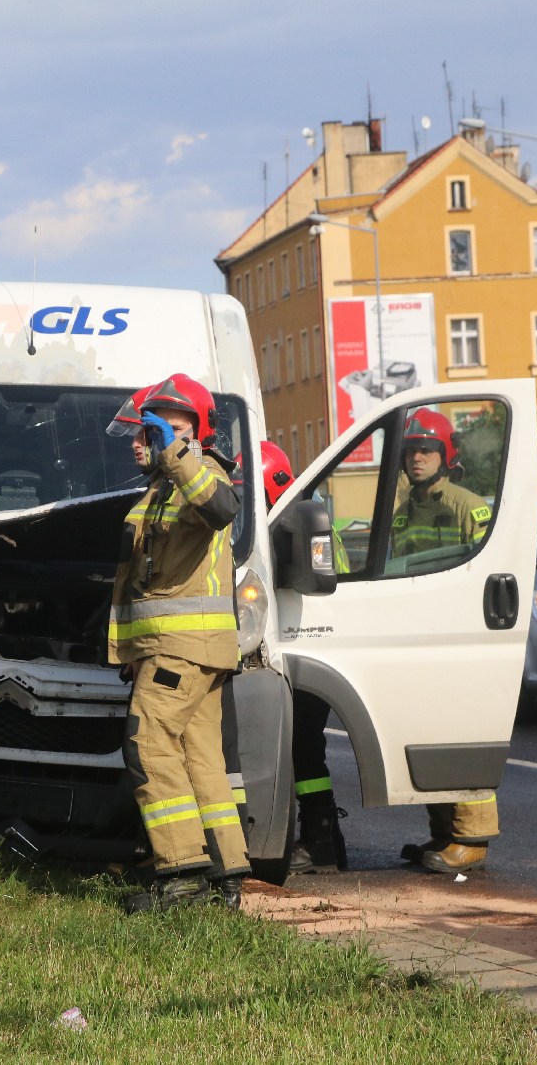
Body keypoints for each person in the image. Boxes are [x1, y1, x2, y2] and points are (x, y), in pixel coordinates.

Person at [110, 373, 251, 911]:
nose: (141, 441)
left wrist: (176, 453)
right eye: (143, 431)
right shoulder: (164, 489)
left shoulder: (201, 474)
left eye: (156, 430)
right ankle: (222, 876)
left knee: (148, 745)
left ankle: (181, 876)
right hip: (184, 650)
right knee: (199, 758)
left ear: (191, 435)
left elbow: (222, 509)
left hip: (182, 650)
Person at [389, 408, 500, 875]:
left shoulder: (466, 505)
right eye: (411, 450)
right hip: (418, 642)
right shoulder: (400, 514)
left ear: (444, 455)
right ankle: (443, 832)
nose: (417, 458)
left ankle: (472, 838)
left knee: (459, 737)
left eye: (427, 450)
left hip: (456, 639)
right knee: (427, 738)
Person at [257, 440, 349, 875]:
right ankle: (324, 839)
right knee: (301, 749)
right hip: (297, 651)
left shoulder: (302, 524)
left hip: (312, 651)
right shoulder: (291, 520)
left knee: (304, 749)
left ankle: (320, 840)